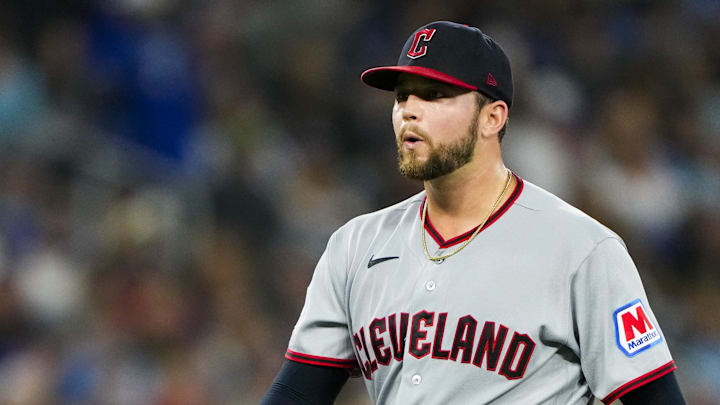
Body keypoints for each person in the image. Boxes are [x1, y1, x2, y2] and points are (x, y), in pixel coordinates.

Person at [261, 21, 685, 404]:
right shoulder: (355, 245)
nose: (409, 109)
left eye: (435, 95)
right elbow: (297, 393)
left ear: (492, 118)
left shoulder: (583, 250)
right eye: (403, 95)